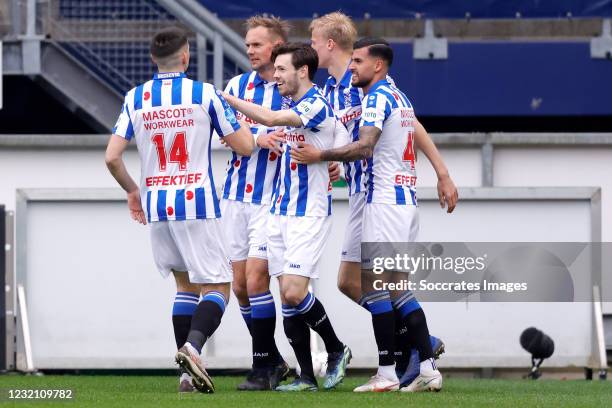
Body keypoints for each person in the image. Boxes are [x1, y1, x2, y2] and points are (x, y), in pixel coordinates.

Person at [291, 37, 458, 392]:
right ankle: (427, 367)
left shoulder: (376, 97)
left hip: (382, 201)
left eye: (358, 61)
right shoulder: (400, 97)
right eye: (351, 61)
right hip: (398, 200)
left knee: (378, 288)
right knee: (394, 290)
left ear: (377, 66)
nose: (353, 67)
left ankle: (387, 372)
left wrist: (321, 157)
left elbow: (365, 147)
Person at [104, 26, 254, 394]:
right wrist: (244, 131)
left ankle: (186, 375)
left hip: (157, 204)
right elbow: (245, 146)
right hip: (196, 201)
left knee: (184, 286)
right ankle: (192, 348)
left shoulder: (135, 97)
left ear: (153, 59)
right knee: (218, 286)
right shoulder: (203, 94)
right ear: (186, 57)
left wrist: (133, 191)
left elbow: (111, 157)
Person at [223, 43, 352, 392]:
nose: (275, 75)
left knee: (295, 293)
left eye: (281, 69)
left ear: (303, 71)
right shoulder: (294, 103)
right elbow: (336, 131)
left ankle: (337, 349)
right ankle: (306, 376)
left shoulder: (314, 103)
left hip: (307, 213)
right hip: (277, 210)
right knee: (286, 299)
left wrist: (225, 99)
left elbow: (272, 119)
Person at [219, 15, 292, 391]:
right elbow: (227, 131)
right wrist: (258, 135)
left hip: (272, 198)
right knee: (240, 287)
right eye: (247, 44)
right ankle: (273, 359)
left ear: (276, 47)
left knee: (257, 279)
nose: (249, 50)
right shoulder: (237, 85)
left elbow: (305, 128)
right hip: (235, 196)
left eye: (257, 44)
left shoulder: (292, 86)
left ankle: (262, 367)